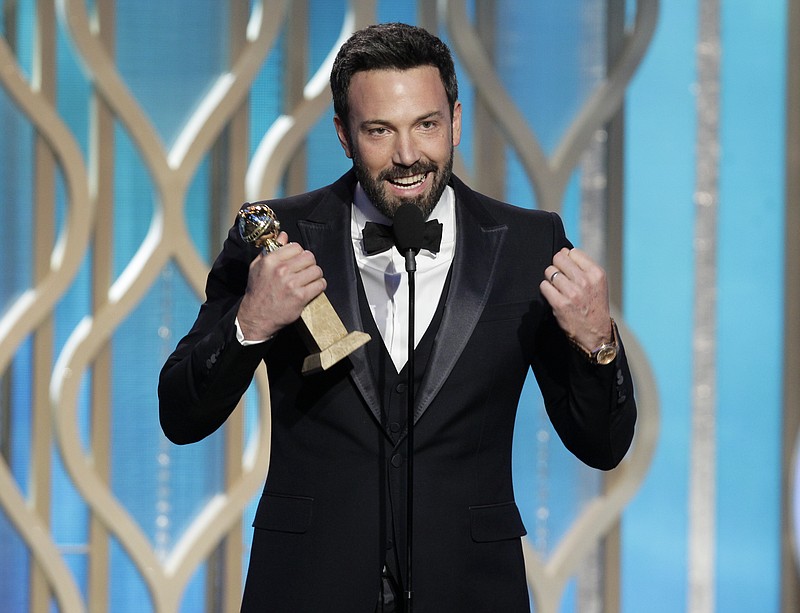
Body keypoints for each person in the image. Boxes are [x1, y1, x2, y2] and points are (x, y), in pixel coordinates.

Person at [158, 22, 636, 613]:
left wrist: (598, 344)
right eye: (379, 130)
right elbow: (180, 415)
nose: (408, 156)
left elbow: (603, 445)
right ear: (343, 134)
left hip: (471, 589)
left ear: (456, 121)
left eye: (426, 125)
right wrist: (250, 323)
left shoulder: (528, 243)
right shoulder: (273, 239)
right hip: (308, 587)